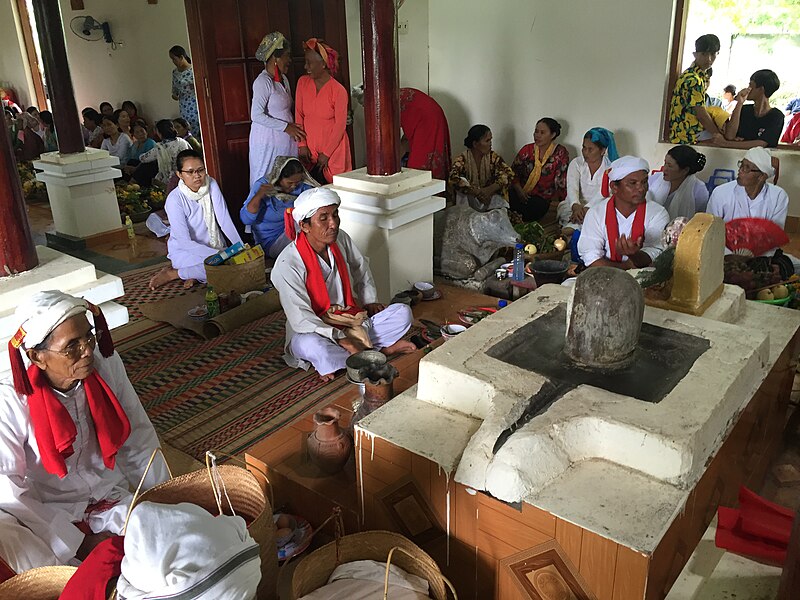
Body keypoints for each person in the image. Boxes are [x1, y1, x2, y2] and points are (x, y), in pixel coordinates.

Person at [0, 291, 169, 573]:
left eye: (88, 338)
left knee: (165, 534)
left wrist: (164, 496)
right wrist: (79, 542)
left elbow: (137, 436)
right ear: (37, 357)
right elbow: (8, 488)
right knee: (22, 551)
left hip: (105, 498)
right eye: (72, 346)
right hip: (44, 509)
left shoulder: (106, 365)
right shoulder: (10, 399)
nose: (88, 351)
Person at [271, 188, 416, 381]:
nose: (333, 224)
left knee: (403, 313)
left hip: (348, 318)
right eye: (323, 218)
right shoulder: (287, 263)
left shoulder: (341, 239)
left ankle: (354, 357)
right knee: (311, 346)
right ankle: (376, 351)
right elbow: (300, 317)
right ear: (304, 226)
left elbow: (360, 267)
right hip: (314, 328)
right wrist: (341, 338)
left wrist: (369, 300)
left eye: (335, 215)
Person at [148, 150, 242, 289]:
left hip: (213, 245)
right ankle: (173, 274)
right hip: (186, 251)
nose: (197, 176)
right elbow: (185, 242)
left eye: (200, 170)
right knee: (224, 267)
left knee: (235, 264)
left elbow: (224, 220)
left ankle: (194, 274)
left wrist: (239, 246)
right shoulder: (175, 200)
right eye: (190, 172)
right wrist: (220, 256)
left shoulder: (211, 184)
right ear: (180, 174)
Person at [578, 156, 669, 269]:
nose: (641, 188)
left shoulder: (658, 213)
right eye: (632, 183)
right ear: (614, 187)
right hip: (604, 275)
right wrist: (625, 266)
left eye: (644, 182)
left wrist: (634, 255)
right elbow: (591, 257)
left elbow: (656, 252)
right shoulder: (596, 213)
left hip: (642, 277)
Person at [248, 31, 304, 187]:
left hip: (284, 141)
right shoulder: (263, 81)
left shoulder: (283, 80)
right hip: (267, 140)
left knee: (286, 179)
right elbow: (256, 115)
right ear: (275, 58)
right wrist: (286, 127)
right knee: (267, 178)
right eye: (287, 55)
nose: (290, 60)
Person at [707, 147, 788, 255]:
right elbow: (710, 230)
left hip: (761, 256)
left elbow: (773, 236)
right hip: (724, 254)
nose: (740, 171)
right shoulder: (721, 193)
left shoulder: (778, 196)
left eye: (747, 168)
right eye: (741, 165)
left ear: (761, 177)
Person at [296, 38, 352, 183]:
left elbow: (340, 126)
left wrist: (327, 154)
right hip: (310, 152)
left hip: (334, 152)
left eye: (310, 63)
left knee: (339, 192)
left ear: (323, 64)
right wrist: (302, 145)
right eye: (306, 61)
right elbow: (299, 114)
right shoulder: (302, 83)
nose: (305, 66)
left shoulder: (338, 90)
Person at [240, 156, 318, 258]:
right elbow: (246, 219)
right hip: (272, 241)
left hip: (295, 229)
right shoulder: (263, 187)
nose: (294, 186)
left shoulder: (302, 187)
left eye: (297, 182)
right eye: (289, 183)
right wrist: (259, 195)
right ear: (279, 177)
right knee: (309, 239)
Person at [558, 127, 618, 233]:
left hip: (598, 207)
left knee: (604, 215)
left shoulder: (610, 167)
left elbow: (603, 193)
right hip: (575, 206)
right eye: (584, 148)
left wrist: (587, 209)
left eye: (590, 149)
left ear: (602, 151)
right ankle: (578, 228)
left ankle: (576, 229)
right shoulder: (576, 163)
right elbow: (572, 188)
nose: (585, 152)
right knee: (564, 210)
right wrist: (576, 206)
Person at [509, 118, 570, 223]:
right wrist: (520, 191)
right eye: (536, 131)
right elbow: (512, 173)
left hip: (540, 198)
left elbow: (561, 182)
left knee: (537, 207)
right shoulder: (527, 149)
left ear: (552, 135)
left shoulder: (560, 153)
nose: (537, 135)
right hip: (520, 192)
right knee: (506, 197)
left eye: (542, 132)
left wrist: (559, 203)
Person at [668, 34, 721, 144]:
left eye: (712, 54)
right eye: (704, 54)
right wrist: (719, 136)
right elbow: (701, 115)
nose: (709, 59)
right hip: (688, 134)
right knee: (727, 141)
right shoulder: (693, 79)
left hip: (687, 131)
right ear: (695, 54)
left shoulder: (699, 75)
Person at [447, 124, 515, 211]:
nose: (490, 143)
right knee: (462, 181)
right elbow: (453, 179)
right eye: (487, 141)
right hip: (471, 200)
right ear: (475, 144)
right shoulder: (462, 159)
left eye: (491, 140)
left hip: (490, 199)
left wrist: (488, 190)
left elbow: (509, 174)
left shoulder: (493, 157)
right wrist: (476, 192)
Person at [717, 69, 783, 149]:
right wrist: (739, 104)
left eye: (750, 85)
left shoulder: (776, 116)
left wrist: (725, 144)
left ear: (761, 89)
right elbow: (730, 136)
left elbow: (761, 144)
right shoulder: (744, 110)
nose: (747, 89)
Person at [399, 87, 451, 179]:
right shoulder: (395, 95)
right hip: (432, 115)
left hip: (428, 120)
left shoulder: (382, 103)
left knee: (419, 168)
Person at [647, 146, 709, 219]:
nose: (664, 169)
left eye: (670, 166)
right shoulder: (654, 179)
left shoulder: (699, 190)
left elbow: (699, 219)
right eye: (665, 163)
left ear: (685, 170)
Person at [133, 119, 191, 188]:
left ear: (160, 134)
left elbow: (143, 159)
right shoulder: (182, 142)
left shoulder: (160, 147)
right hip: (186, 175)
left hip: (168, 179)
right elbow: (191, 152)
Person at [169, 45, 200, 139]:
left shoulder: (194, 70)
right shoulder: (175, 72)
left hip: (195, 105)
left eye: (174, 59)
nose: (173, 62)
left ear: (182, 57)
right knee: (186, 129)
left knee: (198, 127)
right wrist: (175, 95)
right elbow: (174, 91)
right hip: (184, 106)